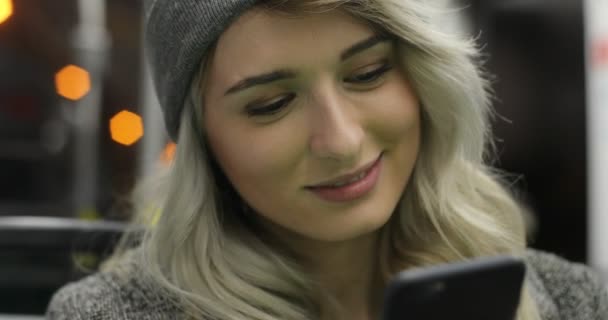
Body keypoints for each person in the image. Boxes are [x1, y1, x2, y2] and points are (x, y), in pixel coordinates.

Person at [46, 0, 608, 319]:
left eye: (367, 74)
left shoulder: (570, 301)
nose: (339, 140)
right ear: (202, 143)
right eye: (271, 104)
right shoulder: (110, 316)